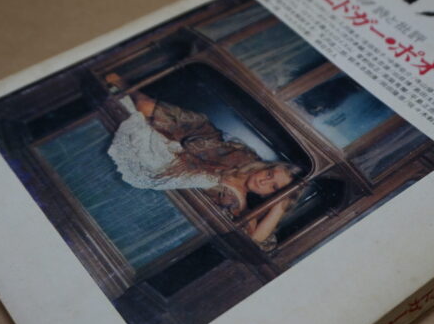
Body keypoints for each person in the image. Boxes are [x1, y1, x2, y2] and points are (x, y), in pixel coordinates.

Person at [106, 89, 301, 248]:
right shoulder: (234, 156)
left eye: (273, 187)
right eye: (269, 174)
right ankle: (123, 86)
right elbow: (199, 141)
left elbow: (255, 241)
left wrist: (280, 205)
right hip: (174, 153)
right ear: (265, 167)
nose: (264, 181)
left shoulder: (245, 214)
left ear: (270, 196)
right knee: (145, 106)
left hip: (163, 203)